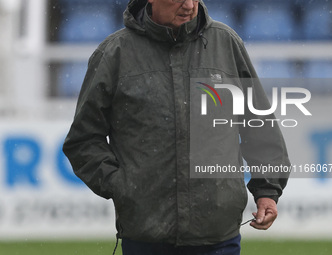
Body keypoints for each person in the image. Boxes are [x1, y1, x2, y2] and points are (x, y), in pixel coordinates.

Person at [63, 0, 290, 254]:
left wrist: (267, 191)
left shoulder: (226, 44)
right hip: (145, 236)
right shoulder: (114, 53)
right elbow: (83, 140)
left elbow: (259, 126)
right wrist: (122, 186)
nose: (190, 5)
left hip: (218, 234)